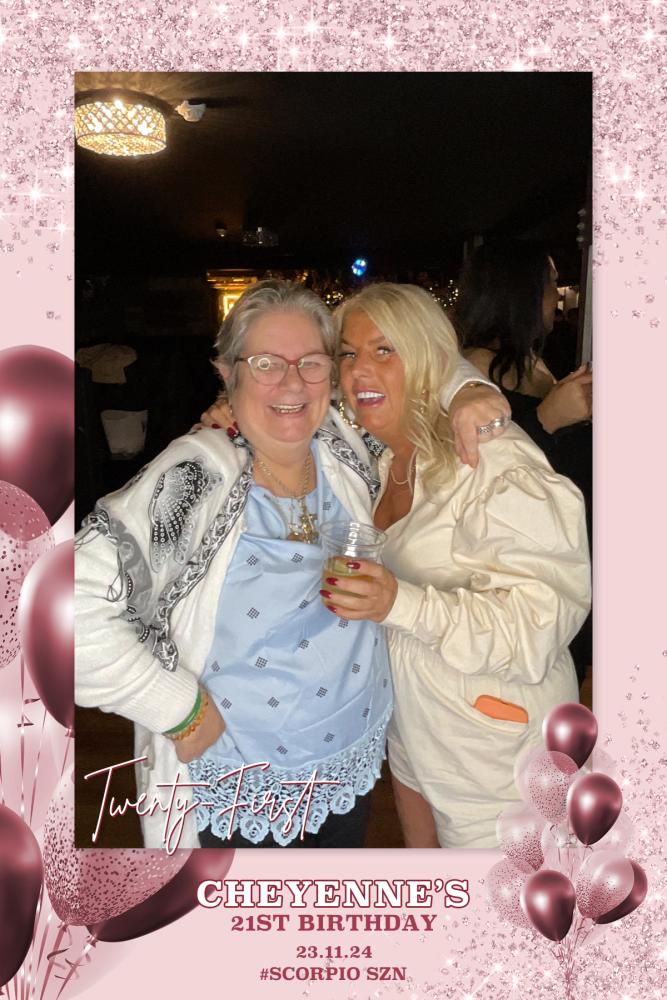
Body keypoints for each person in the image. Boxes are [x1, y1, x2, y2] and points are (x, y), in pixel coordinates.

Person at [74, 279, 508, 850]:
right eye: (265, 364)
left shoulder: (342, 442)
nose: (292, 382)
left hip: (347, 767)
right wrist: (176, 708)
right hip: (233, 789)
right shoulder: (196, 473)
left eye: (311, 362)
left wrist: (472, 389)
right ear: (227, 372)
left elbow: (414, 365)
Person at [318, 282, 590, 848]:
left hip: (495, 745)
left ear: (427, 360)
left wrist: (401, 603)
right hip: (417, 731)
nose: (360, 369)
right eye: (348, 353)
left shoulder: (490, 455)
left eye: (385, 350)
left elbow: (539, 626)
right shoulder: (384, 458)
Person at [453, 241, 592, 682]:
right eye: (550, 282)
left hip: (566, 538)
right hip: (528, 553)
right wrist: (549, 418)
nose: (556, 294)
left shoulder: (531, 358)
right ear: (520, 292)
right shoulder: (470, 372)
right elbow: (471, 466)